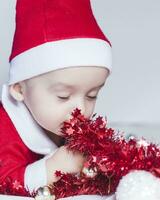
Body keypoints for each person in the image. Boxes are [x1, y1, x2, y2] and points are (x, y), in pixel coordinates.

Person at [0, 0, 112, 194]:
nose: (81, 109)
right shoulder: (5, 129)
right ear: (19, 89)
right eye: (63, 96)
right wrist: (52, 168)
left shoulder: (63, 121)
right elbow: (4, 181)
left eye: (92, 95)